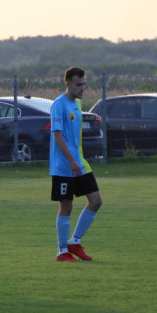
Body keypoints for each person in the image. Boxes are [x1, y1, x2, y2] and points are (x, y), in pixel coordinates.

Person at [50, 67, 103, 262]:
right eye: (78, 85)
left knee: (96, 201)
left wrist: (77, 160)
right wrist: (71, 161)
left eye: (84, 85)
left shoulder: (77, 104)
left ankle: (75, 242)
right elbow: (57, 135)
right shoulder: (59, 105)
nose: (82, 89)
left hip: (79, 163)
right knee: (67, 206)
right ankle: (62, 250)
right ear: (68, 84)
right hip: (64, 166)